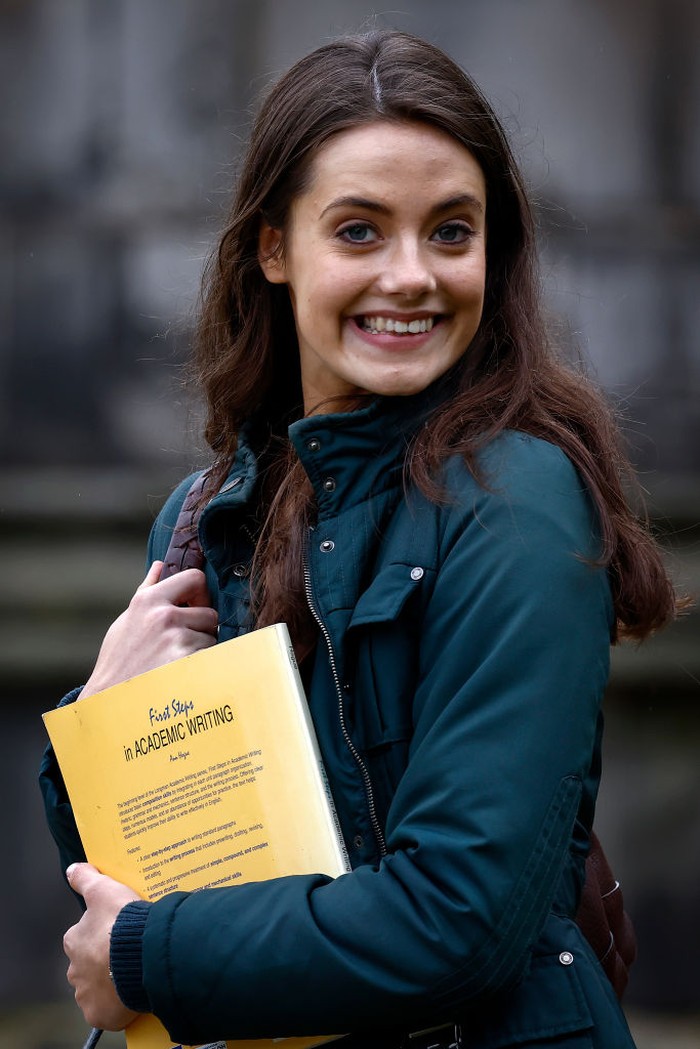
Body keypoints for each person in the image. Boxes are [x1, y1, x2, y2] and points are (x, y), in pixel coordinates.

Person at [40, 28, 679, 1049]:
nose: (411, 276)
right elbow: (137, 866)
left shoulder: (516, 500)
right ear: (273, 247)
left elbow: (457, 916)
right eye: (359, 230)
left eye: (451, 231)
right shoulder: (210, 511)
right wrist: (104, 710)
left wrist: (147, 959)